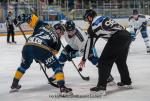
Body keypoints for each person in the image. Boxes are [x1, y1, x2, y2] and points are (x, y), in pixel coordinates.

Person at [10, 17, 72, 95]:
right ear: (59, 30)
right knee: (57, 66)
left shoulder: (43, 24)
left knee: (23, 66)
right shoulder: (58, 42)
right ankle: (62, 86)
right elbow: (51, 54)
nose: (62, 34)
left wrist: (19, 19)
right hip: (41, 48)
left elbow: (31, 17)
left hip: (27, 45)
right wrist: (39, 57)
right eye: (62, 32)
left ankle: (14, 83)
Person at [79, 9, 132, 95]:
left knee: (103, 62)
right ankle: (126, 82)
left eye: (86, 20)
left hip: (117, 38)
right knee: (120, 61)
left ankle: (101, 87)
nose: (87, 22)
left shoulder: (92, 27)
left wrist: (84, 58)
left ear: (89, 17)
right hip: (126, 35)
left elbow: (89, 45)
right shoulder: (103, 17)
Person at [49, 20, 114, 84]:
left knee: (93, 59)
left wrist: (73, 55)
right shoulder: (65, 27)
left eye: (73, 30)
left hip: (86, 46)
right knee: (62, 57)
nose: (71, 32)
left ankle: (108, 75)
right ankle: (58, 75)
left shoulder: (81, 38)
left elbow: (82, 52)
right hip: (73, 45)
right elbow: (61, 22)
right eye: (69, 31)